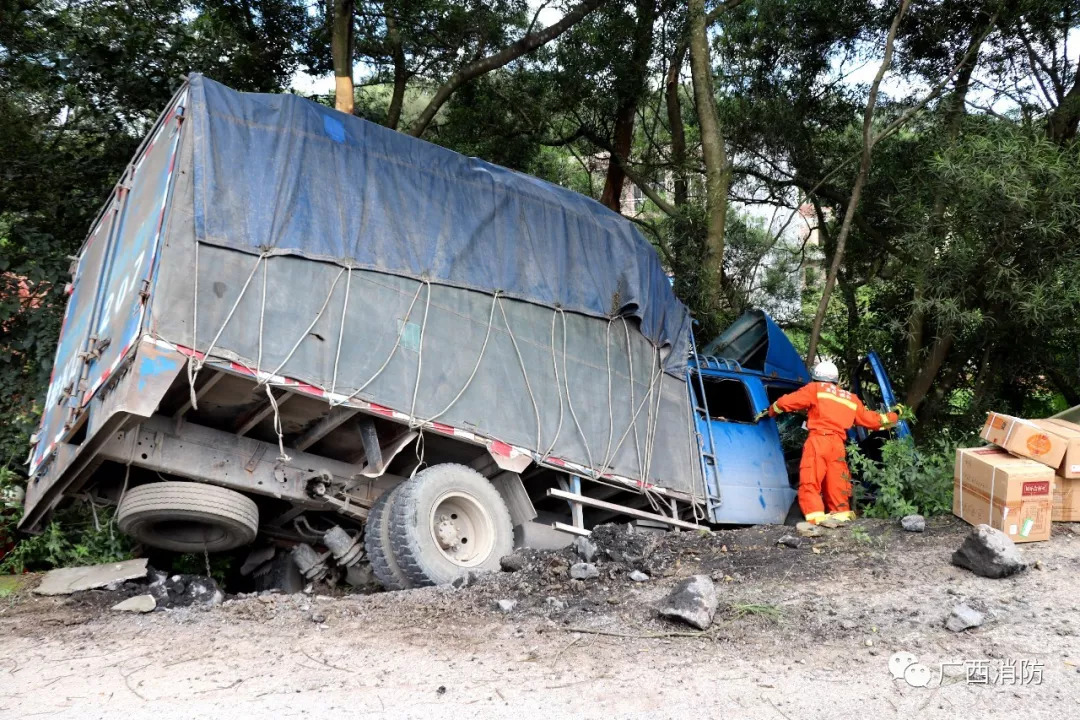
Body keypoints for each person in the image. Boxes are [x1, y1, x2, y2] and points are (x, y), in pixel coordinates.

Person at [755, 360, 901, 525]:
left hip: (819, 441)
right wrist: (895, 415)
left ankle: (815, 519)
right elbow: (873, 421)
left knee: (810, 480)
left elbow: (786, 402)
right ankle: (841, 519)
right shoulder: (850, 398)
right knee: (837, 484)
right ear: (836, 380)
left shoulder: (815, 389)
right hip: (838, 446)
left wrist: (771, 410)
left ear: (816, 378)